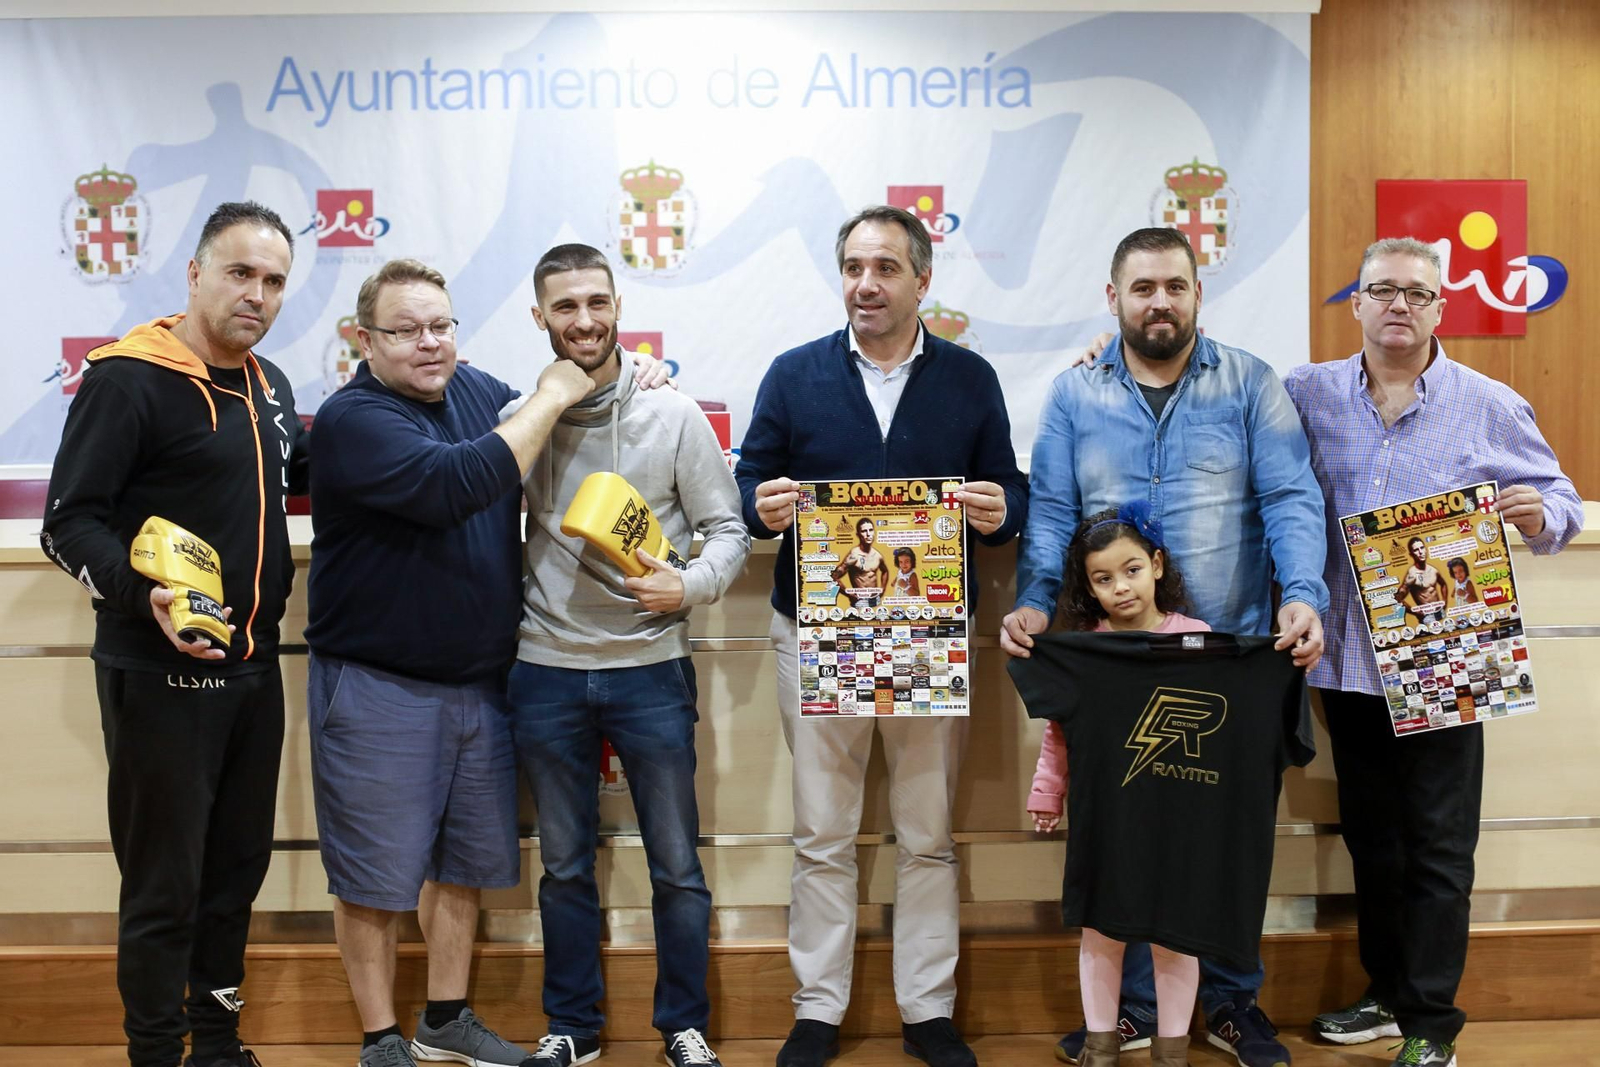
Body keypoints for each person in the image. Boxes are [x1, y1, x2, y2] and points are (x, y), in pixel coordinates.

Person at [303, 257, 670, 1067]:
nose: (429, 344)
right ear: (364, 341)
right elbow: (460, 480)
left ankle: (445, 1015)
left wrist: (619, 370)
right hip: (376, 684)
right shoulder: (353, 418)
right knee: (372, 874)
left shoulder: (474, 389)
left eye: (442, 325)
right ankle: (378, 1035)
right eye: (405, 331)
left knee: (461, 863)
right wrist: (555, 387)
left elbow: (569, 400)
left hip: (481, 678)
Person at [1002, 227, 1328, 1067]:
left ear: (1197, 294)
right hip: (1120, 671)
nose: (1160, 301)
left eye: (1175, 286)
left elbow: (1292, 496)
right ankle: (1137, 1011)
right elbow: (1050, 517)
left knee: (1225, 843)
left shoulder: (1251, 384)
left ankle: (1229, 1003)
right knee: (1131, 838)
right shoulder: (1075, 395)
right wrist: (1037, 605)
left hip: (1231, 664)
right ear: (1113, 298)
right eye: (1142, 287)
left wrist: (1302, 595)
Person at [736, 204, 1029, 1067]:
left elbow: (1010, 488)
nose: (867, 283)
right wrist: (760, 503)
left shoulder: (970, 379)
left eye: (886, 268)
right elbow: (750, 475)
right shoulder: (793, 374)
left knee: (927, 831)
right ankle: (818, 1010)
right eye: (854, 268)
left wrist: (998, 508)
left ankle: (928, 1010)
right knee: (820, 833)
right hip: (818, 630)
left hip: (928, 635)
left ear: (922, 280)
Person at [1284, 237, 1583, 1067]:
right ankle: (1385, 991)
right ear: (1357, 302)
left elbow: (1561, 502)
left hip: (1448, 658)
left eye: (1416, 293)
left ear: (1440, 307)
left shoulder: (1487, 402)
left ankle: (1432, 1023)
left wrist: (1537, 512)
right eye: (1381, 289)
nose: (1398, 306)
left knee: (1440, 846)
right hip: (1345, 660)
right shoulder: (1307, 392)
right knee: (1373, 839)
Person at [40, 201, 308, 1067]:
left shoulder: (272, 387)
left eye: (273, 280)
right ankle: (156, 1052)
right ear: (194, 275)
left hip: (254, 668)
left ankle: (220, 1043)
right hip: (157, 670)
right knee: (165, 885)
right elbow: (68, 523)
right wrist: (139, 592)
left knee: (236, 871)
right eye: (239, 273)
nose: (257, 294)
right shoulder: (128, 377)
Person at [506, 244, 751, 1067]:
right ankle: (572, 1028)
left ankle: (685, 1024)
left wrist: (690, 590)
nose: (584, 320)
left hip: (650, 667)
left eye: (596, 302)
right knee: (565, 866)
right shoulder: (519, 416)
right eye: (565, 307)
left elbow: (729, 531)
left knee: (677, 866)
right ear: (539, 317)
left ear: (619, 306)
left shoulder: (670, 412)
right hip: (542, 667)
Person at [1027, 507, 1208, 1067]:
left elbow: (1229, 728)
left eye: (1130, 570)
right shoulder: (1084, 649)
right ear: (1088, 586)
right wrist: (1046, 793)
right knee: (1101, 932)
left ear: (1156, 565)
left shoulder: (1199, 641)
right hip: (1104, 816)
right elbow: (1060, 733)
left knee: (1175, 936)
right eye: (1102, 579)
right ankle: (1100, 1047)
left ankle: (1171, 1052)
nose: (1119, 587)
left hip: (1179, 818)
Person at [832, 516, 889, 608]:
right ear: (858, 535)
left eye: (870, 530)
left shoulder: (878, 555)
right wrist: (849, 594)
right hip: (860, 601)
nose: (868, 534)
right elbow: (834, 577)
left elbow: (885, 571)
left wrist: (883, 588)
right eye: (864, 531)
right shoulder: (854, 555)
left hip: (876, 599)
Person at [1396, 536, 1447, 619]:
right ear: (1411, 554)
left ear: (1426, 550)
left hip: (1440, 611)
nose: (1420, 552)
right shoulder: (1412, 574)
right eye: (1416, 550)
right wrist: (1416, 612)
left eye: (1422, 548)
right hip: (1427, 616)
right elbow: (1398, 598)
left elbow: (1443, 584)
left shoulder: (1433, 570)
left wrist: (1445, 601)